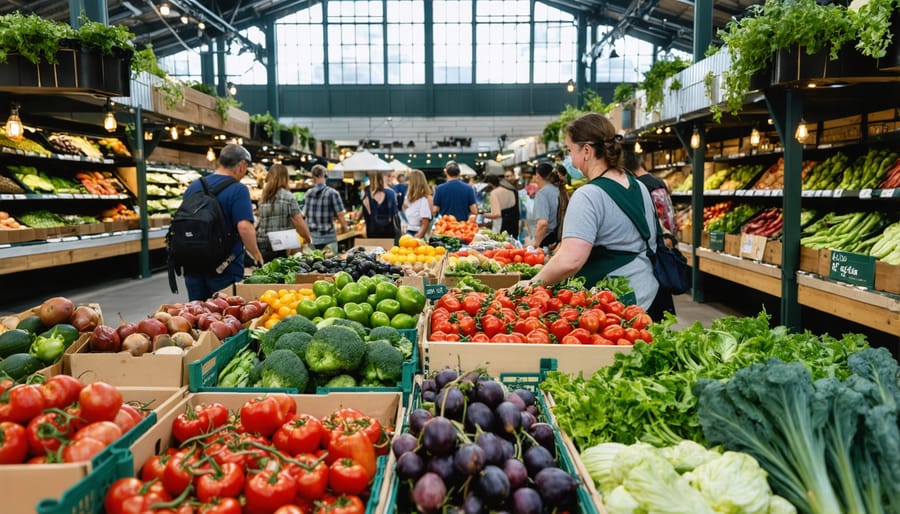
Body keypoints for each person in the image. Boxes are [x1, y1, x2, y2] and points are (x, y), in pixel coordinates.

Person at [528, 112, 668, 320]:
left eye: (570, 151)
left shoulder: (589, 194)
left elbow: (571, 260)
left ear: (586, 150)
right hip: (651, 293)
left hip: (617, 307)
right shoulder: (638, 186)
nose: (570, 160)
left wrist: (531, 284)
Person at [181, 143, 263, 301]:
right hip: (224, 267)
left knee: (198, 314)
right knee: (225, 315)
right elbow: (244, 227)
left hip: (192, 264)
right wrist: (256, 254)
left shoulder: (194, 186)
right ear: (241, 165)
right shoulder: (238, 190)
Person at [255, 163, 313, 262]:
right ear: (285, 178)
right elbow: (298, 220)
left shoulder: (263, 197)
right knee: (280, 273)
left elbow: (259, 222)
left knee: (266, 273)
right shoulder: (288, 196)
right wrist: (308, 238)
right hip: (280, 243)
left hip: (262, 242)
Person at [624, 150, 677, 234]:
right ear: (641, 164)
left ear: (629, 171)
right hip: (670, 234)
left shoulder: (637, 187)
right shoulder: (661, 183)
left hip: (657, 237)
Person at [303, 164, 349, 255]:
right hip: (328, 238)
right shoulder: (333, 193)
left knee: (315, 265)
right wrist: (345, 229)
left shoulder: (308, 193)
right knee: (331, 265)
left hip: (313, 238)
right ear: (325, 176)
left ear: (313, 177)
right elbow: (340, 214)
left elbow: (304, 215)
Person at [532, 161, 569, 250]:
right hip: (561, 240)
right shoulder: (561, 191)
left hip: (547, 242)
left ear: (537, 176)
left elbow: (542, 224)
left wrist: (535, 245)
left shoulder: (542, 194)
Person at [362, 171, 399, 240]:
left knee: (374, 250)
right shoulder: (391, 193)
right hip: (389, 233)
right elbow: (395, 216)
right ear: (382, 178)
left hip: (372, 233)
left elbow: (366, 216)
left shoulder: (366, 196)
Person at [483, 174, 519, 238]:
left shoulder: (494, 193)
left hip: (501, 226)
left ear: (489, 184)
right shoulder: (512, 190)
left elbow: (497, 214)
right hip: (514, 225)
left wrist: (482, 215)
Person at [403, 169, 433, 238]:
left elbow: (425, 222)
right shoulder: (408, 198)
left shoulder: (423, 200)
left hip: (416, 233)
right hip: (408, 231)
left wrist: (418, 236)